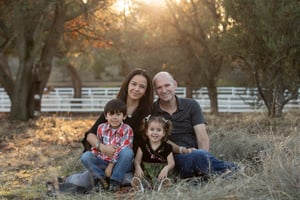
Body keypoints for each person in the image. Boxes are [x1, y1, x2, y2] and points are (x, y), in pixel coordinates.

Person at [152, 71, 239, 179]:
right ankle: (236, 170)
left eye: (167, 85)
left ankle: (210, 172)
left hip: (195, 153)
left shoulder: (191, 105)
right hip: (172, 159)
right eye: (159, 87)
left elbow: (202, 136)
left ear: (175, 84)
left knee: (199, 156)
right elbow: (160, 140)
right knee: (197, 156)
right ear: (155, 91)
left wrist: (203, 156)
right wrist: (183, 150)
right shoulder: (153, 110)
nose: (164, 90)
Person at [80, 68, 154, 191]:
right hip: (104, 158)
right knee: (85, 161)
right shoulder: (114, 107)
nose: (136, 89)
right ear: (127, 85)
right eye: (133, 84)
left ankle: (114, 182)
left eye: (142, 86)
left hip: (126, 162)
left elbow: (147, 144)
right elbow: (90, 135)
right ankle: (101, 180)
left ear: (146, 91)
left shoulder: (148, 114)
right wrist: (102, 147)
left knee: (127, 159)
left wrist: (137, 166)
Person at [81, 99, 134, 192]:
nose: (114, 117)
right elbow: (97, 148)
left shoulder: (127, 130)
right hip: (103, 161)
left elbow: (123, 149)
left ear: (124, 116)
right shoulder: (101, 128)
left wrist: (111, 165)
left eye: (118, 114)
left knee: (127, 152)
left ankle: (115, 181)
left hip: (119, 164)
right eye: (111, 114)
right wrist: (95, 158)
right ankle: (101, 180)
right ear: (106, 116)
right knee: (86, 156)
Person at [132, 115, 175, 192]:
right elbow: (137, 161)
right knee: (141, 178)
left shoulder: (167, 147)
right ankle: (141, 187)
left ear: (164, 133)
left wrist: (166, 168)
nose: (155, 132)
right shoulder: (143, 146)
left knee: (166, 179)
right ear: (146, 132)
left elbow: (171, 163)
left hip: (161, 173)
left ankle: (162, 187)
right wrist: (138, 167)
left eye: (159, 130)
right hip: (147, 173)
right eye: (152, 129)